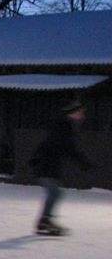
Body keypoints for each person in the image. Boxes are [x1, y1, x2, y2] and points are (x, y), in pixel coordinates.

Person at [29, 100, 91, 236]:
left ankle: (45, 221)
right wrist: (83, 161)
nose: (83, 115)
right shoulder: (64, 126)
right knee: (55, 193)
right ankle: (45, 221)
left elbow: (53, 144)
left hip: (48, 164)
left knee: (55, 193)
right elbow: (68, 147)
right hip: (47, 165)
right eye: (80, 112)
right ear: (73, 113)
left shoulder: (62, 125)